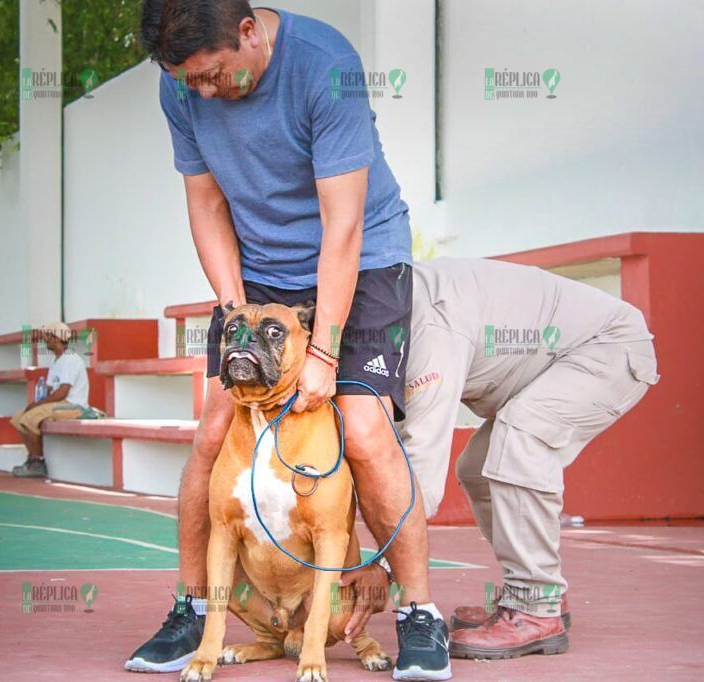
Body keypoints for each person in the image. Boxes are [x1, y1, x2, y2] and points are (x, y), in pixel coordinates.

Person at [127, 3, 449, 680]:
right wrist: (235, 310)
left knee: (361, 426)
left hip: (362, 259)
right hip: (261, 274)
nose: (206, 92)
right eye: (193, 83)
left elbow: (344, 225)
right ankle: (194, 605)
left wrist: (324, 354)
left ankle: (420, 612)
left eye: (215, 76)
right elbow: (207, 203)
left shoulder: (325, 65)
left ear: (249, 30)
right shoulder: (180, 83)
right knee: (215, 427)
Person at [398, 258, 659, 660]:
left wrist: (380, 568)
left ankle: (535, 611)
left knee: (518, 444)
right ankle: (537, 593)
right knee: (478, 469)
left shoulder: (430, 326)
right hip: (562, 357)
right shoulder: (390, 304)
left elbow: (420, 468)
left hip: (607, 348)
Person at [10, 323, 89, 479]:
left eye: (49, 336)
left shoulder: (70, 359)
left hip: (73, 406)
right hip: (59, 404)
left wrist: (38, 405)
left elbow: (62, 392)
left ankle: (38, 463)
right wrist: (35, 403)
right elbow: (49, 388)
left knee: (29, 418)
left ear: (58, 339)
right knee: (18, 419)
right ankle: (32, 458)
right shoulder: (56, 361)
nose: (45, 340)